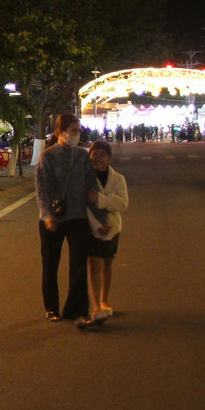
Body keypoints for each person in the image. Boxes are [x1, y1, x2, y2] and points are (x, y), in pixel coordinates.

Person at [35, 113, 108, 324]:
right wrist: (48, 215)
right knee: (50, 264)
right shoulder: (47, 156)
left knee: (78, 265)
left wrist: (101, 217)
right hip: (53, 220)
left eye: (79, 131)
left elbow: (91, 186)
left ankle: (78, 311)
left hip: (77, 217)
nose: (77, 135)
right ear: (60, 132)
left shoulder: (82, 155)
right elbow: (42, 188)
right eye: (73, 131)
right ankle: (51, 308)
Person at [80, 140, 127, 327]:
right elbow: (84, 204)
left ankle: (104, 300)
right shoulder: (85, 178)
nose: (97, 158)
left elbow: (123, 204)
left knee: (108, 263)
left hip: (113, 228)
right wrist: (98, 224)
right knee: (94, 265)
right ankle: (96, 307)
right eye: (94, 154)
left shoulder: (118, 179)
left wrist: (101, 199)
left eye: (102, 155)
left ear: (109, 158)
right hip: (92, 228)